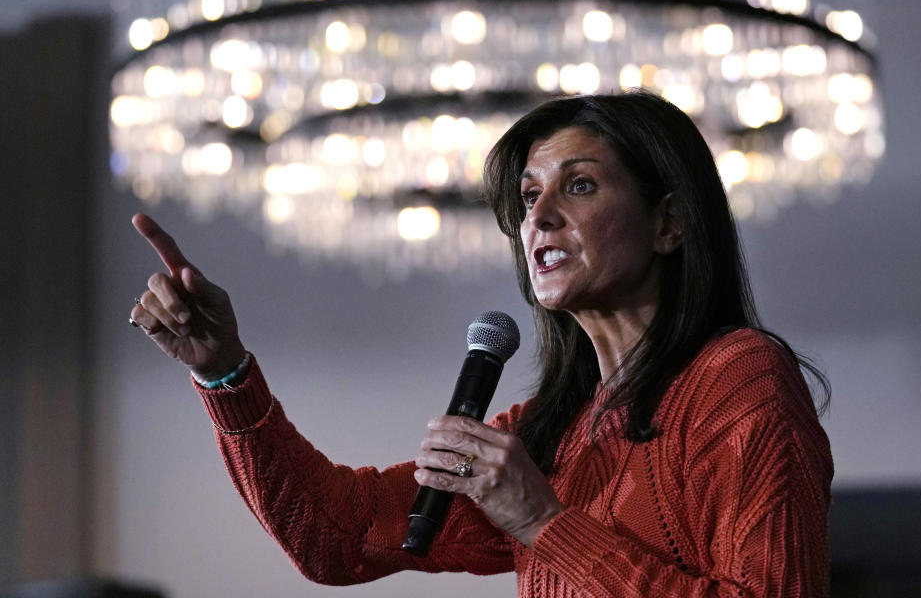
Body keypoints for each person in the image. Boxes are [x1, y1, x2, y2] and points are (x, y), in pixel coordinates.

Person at [130, 92, 833, 597]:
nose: (539, 218)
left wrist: (541, 521)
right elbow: (334, 538)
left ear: (668, 225)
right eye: (528, 198)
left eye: (579, 186)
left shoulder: (738, 380)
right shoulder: (546, 435)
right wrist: (225, 373)